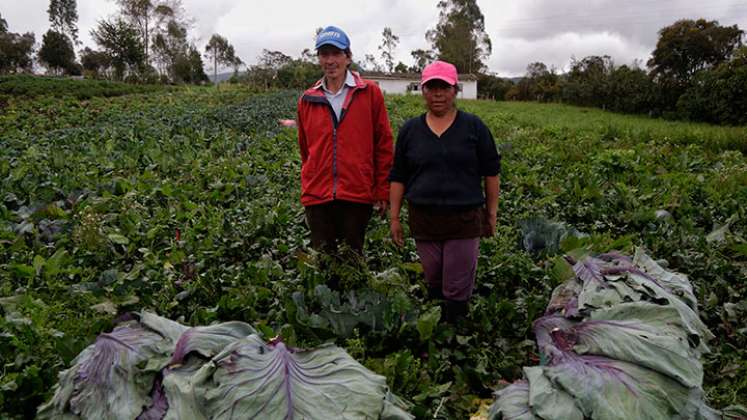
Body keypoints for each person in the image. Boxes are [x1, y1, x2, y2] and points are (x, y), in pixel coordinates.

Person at [388, 60, 501, 323]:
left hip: (464, 219)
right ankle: (436, 333)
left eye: (444, 87)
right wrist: (394, 218)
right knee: (434, 278)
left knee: (457, 285)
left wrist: (491, 214)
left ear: (455, 90)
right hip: (423, 220)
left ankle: (454, 333)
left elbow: (491, 173)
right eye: (431, 87)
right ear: (423, 91)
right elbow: (398, 176)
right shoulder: (410, 130)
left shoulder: (474, 127)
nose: (438, 94)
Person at [296, 26, 394, 273]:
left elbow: (383, 144)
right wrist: (311, 181)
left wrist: (382, 189)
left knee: (353, 261)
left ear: (348, 57)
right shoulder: (308, 99)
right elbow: (305, 149)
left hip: (357, 194)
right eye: (324, 54)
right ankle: (325, 311)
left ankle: (353, 310)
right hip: (318, 195)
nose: (330, 61)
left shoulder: (369, 93)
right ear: (319, 58)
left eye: (336, 54)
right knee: (324, 263)